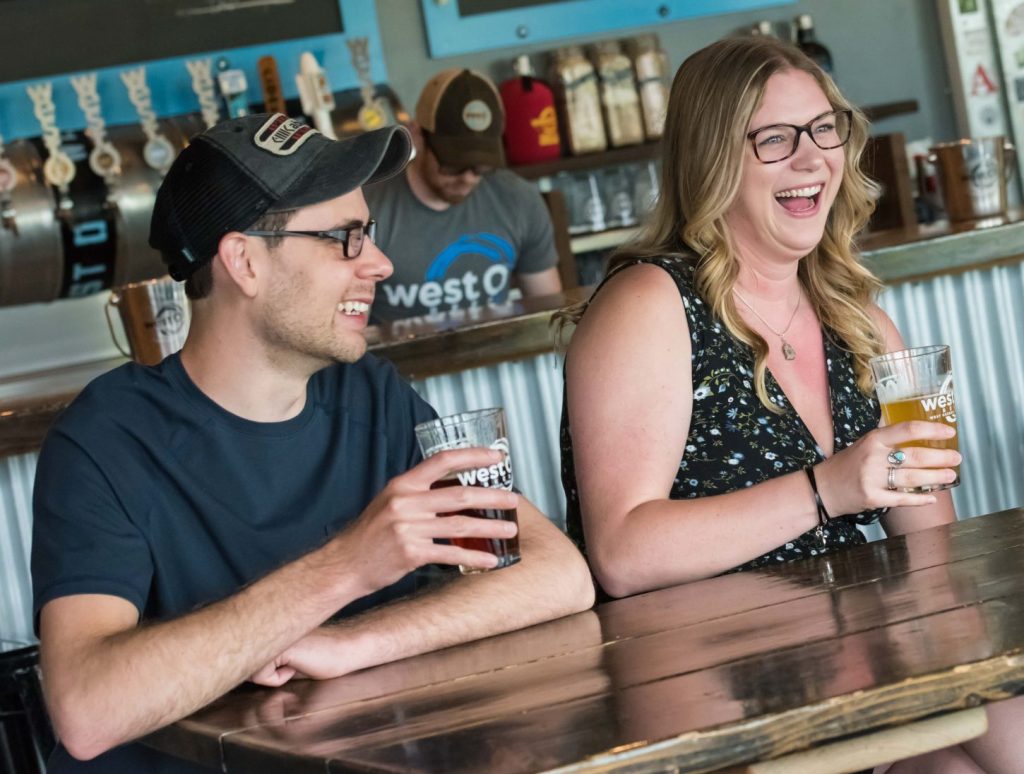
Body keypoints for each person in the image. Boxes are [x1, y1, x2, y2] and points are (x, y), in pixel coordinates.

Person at [31, 113, 594, 772]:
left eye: (370, 233)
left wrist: (349, 644)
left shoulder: (369, 396)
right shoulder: (108, 441)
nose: (380, 264)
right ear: (243, 261)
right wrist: (346, 568)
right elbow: (86, 710)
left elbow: (557, 574)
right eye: (345, 239)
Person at [558, 37, 1021, 774]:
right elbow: (621, 555)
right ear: (713, 159)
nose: (811, 159)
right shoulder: (649, 304)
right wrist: (827, 488)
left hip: (863, 662)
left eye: (824, 128)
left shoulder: (860, 319)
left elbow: (930, 557)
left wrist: (919, 483)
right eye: (774, 139)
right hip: (713, 692)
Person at [365, 68, 563, 329]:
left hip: (494, 360)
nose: (468, 178)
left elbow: (549, 314)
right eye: (454, 164)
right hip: (397, 367)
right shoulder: (369, 211)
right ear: (417, 135)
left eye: (482, 167)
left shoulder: (519, 200)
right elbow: (352, 334)